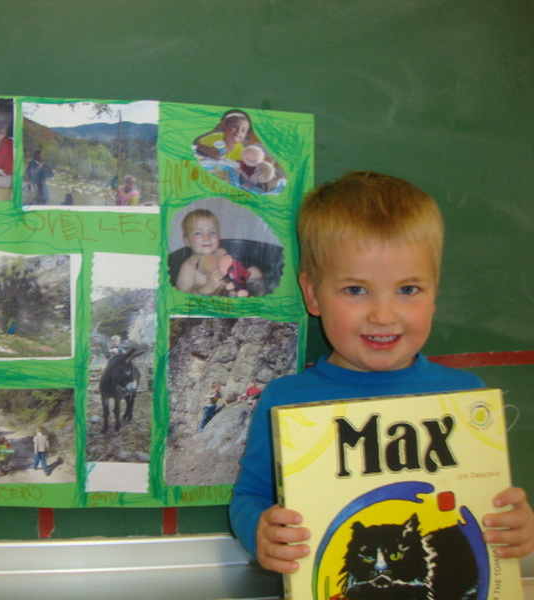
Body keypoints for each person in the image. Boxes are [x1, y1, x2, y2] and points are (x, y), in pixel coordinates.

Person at [229, 171, 534, 574]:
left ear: (435, 292)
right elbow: (250, 497)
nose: (384, 315)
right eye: (356, 290)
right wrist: (259, 532)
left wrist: (515, 526)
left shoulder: (465, 399)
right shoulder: (285, 400)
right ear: (313, 294)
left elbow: (487, 507)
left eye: (408, 290)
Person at [174, 209, 226, 295]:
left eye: (212, 232)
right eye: (198, 233)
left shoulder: (220, 256)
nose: (207, 237)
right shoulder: (189, 267)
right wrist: (206, 288)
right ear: (187, 241)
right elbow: (181, 297)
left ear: (219, 237)